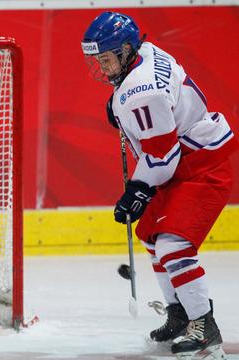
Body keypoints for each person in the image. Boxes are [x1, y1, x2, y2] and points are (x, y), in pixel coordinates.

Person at [81, 11, 236, 359]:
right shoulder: (146, 53)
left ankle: (203, 325)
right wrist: (118, 103)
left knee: (173, 246)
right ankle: (180, 313)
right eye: (98, 60)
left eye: (106, 60)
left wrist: (137, 189)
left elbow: (163, 158)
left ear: (124, 51)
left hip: (199, 168)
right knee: (152, 237)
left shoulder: (141, 92)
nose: (102, 68)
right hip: (188, 159)